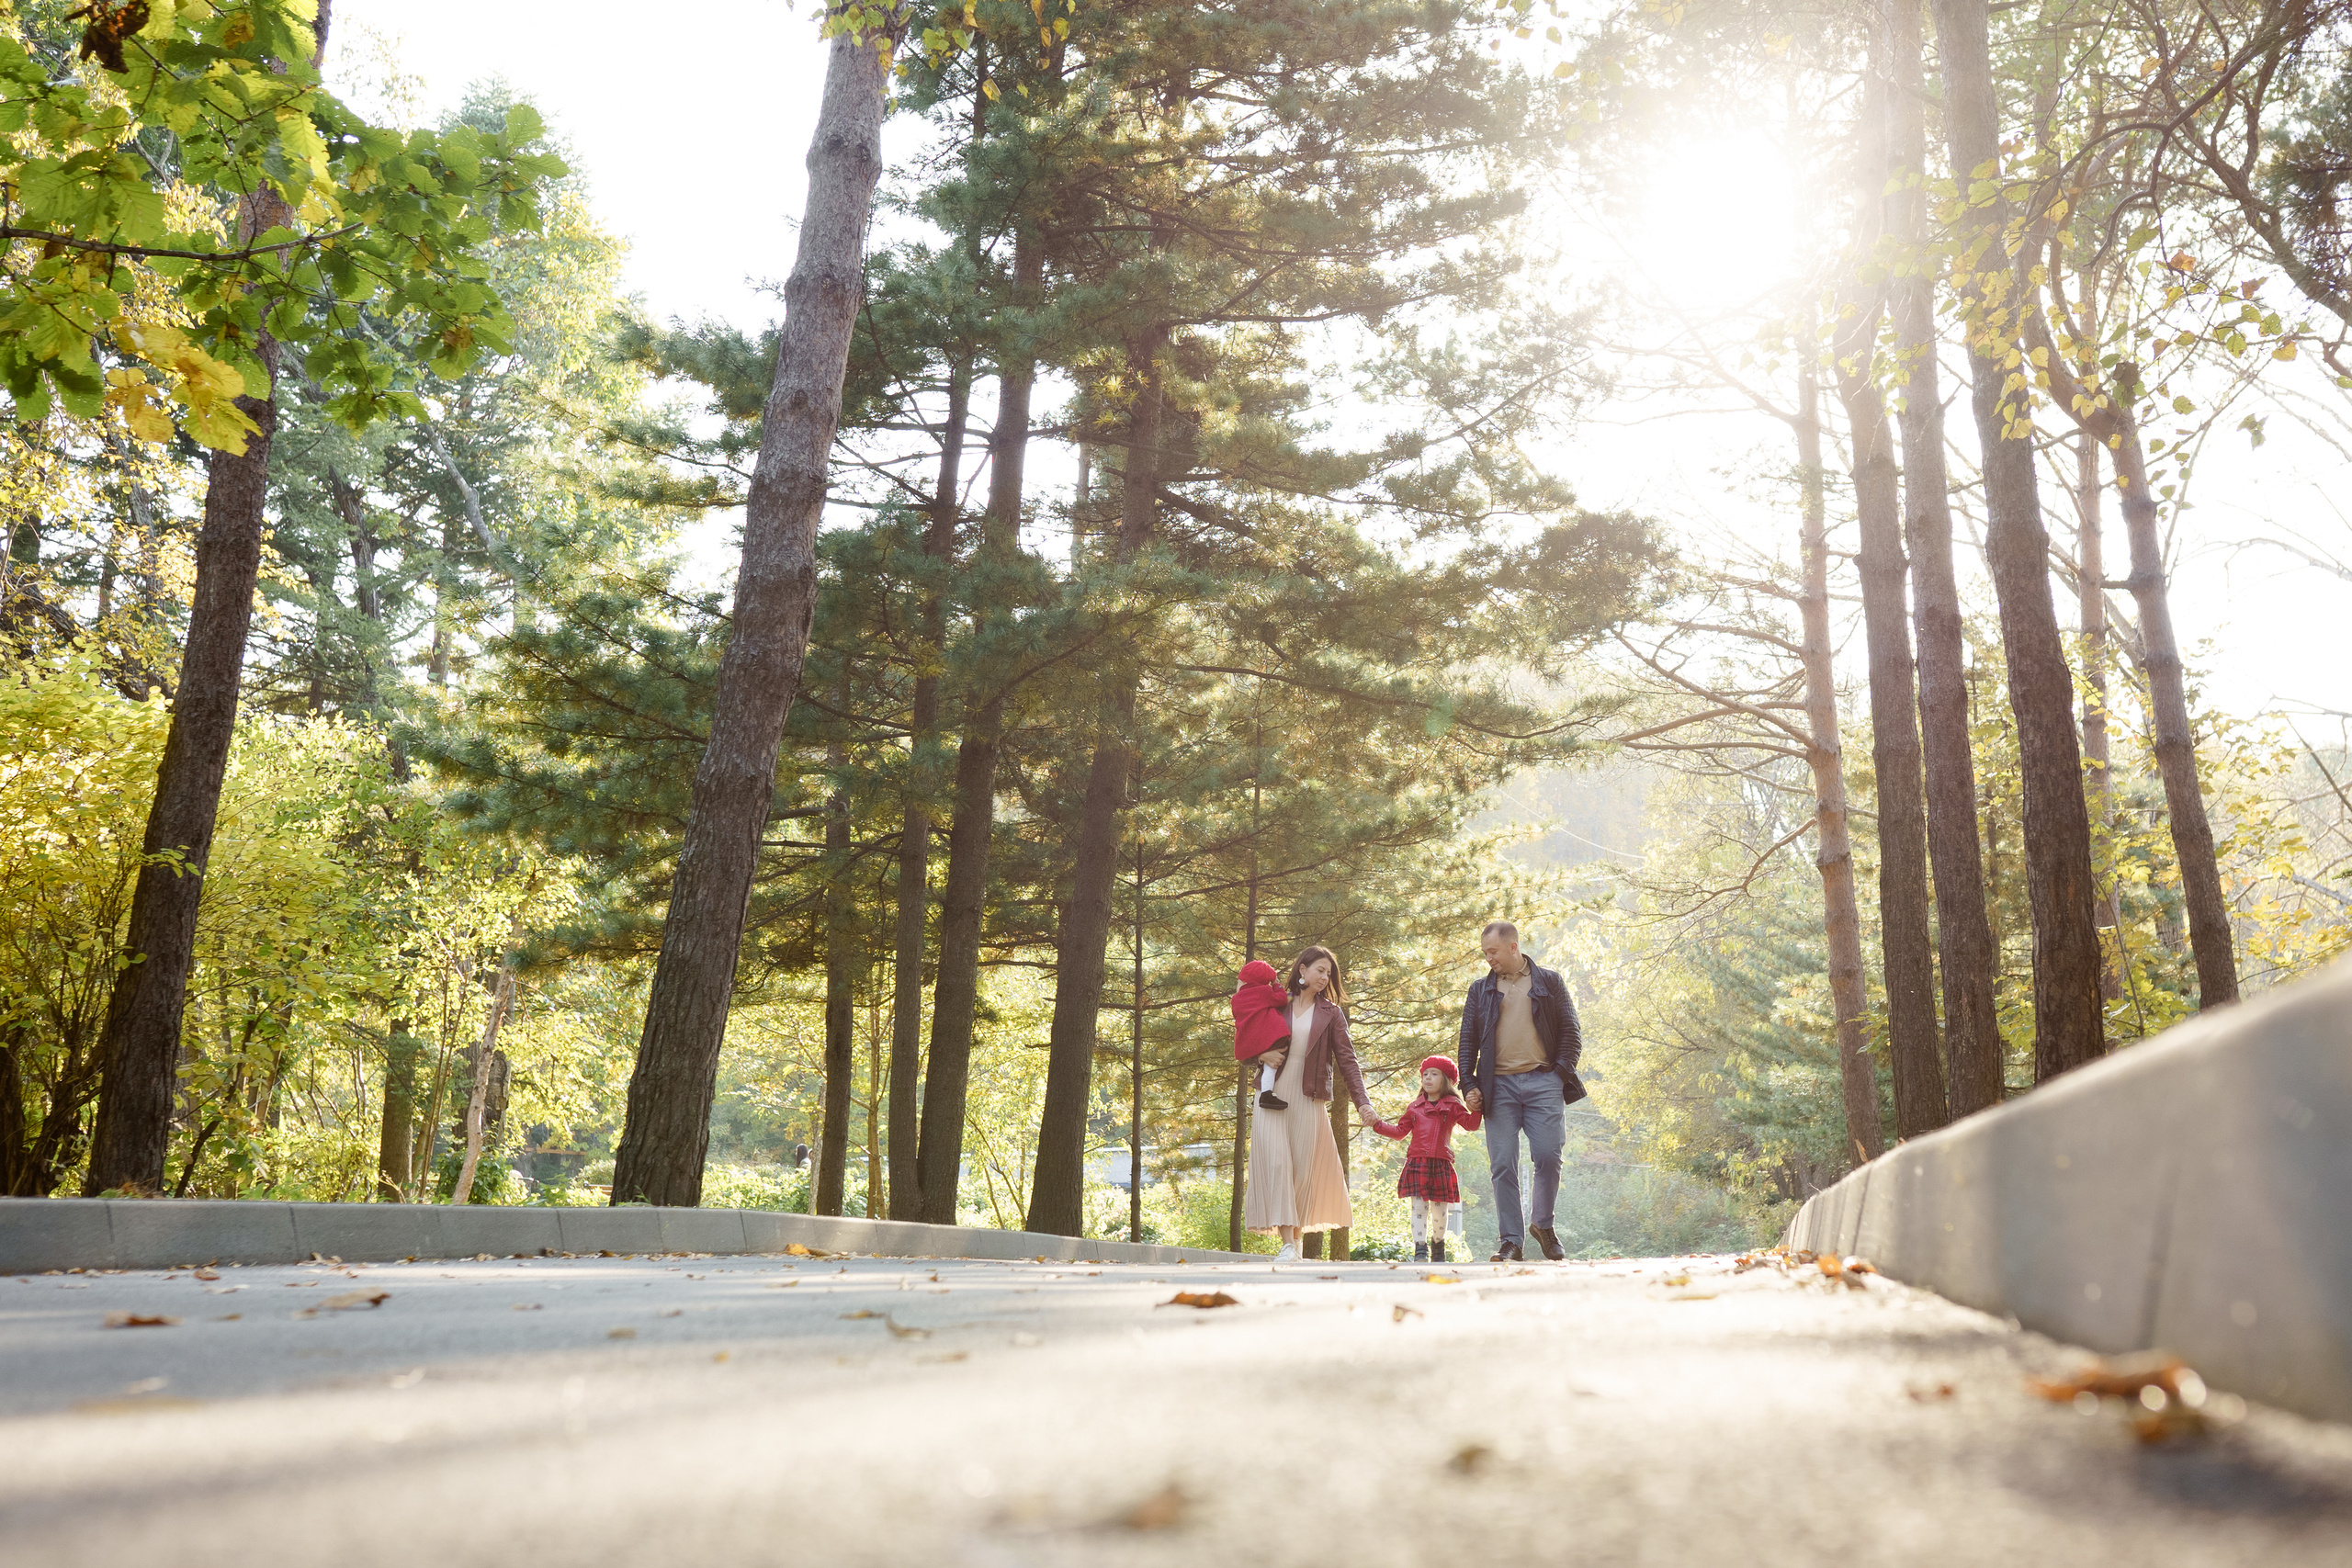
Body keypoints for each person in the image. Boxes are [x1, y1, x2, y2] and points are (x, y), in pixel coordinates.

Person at [1457, 919, 1586, 1263]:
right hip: (1498, 1087)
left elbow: (1572, 1033)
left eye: (1493, 951)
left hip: (1543, 1081)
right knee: (1502, 1164)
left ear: (1513, 947)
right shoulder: (1479, 990)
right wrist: (1469, 1084)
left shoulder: (1549, 981)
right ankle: (1511, 1241)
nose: (1489, 959)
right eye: (1485, 953)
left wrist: (1558, 1075)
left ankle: (1543, 1225)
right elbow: (1467, 1040)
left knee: (1548, 1156)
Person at [1243, 945, 1377, 1261]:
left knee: (1301, 1172)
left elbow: (1348, 1061)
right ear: (1302, 970)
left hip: (1307, 1097)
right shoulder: (1277, 1003)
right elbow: (1244, 1037)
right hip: (1271, 1095)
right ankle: (1288, 1244)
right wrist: (1261, 1054)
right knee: (1278, 1164)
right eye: (1320, 969)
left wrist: (1363, 1103)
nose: (1324, 977)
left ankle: (1295, 1243)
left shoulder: (1331, 1013)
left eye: (1328, 973)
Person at [1367, 1054, 1481, 1263]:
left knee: (1440, 1210)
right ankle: (1420, 1249)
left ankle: (1438, 1247)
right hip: (1417, 1162)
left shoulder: (1453, 1105)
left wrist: (1478, 1108)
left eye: (1434, 1074)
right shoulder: (1415, 1107)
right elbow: (1400, 1132)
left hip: (1441, 1163)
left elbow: (1471, 1125)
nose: (1427, 1078)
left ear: (1446, 1079)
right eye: (1424, 1074)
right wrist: (1377, 1124)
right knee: (1418, 1207)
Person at [1230, 958, 1292, 1110]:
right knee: (1271, 1065)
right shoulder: (1264, 992)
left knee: (1265, 1064)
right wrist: (1276, 984)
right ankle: (1266, 1094)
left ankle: (1263, 1094)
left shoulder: (1236, 999)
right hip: (1270, 1037)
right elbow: (1283, 999)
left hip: (1250, 1040)